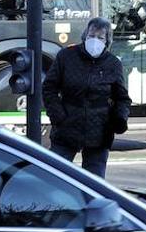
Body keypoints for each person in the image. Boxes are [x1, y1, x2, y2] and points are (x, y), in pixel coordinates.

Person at [42, 17, 132, 178]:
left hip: (99, 132)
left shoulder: (113, 64)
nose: (95, 41)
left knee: (94, 183)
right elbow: (49, 87)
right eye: (91, 36)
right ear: (85, 36)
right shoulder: (66, 57)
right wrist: (58, 116)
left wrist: (119, 119)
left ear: (107, 41)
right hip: (67, 128)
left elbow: (122, 98)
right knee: (54, 177)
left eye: (100, 37)